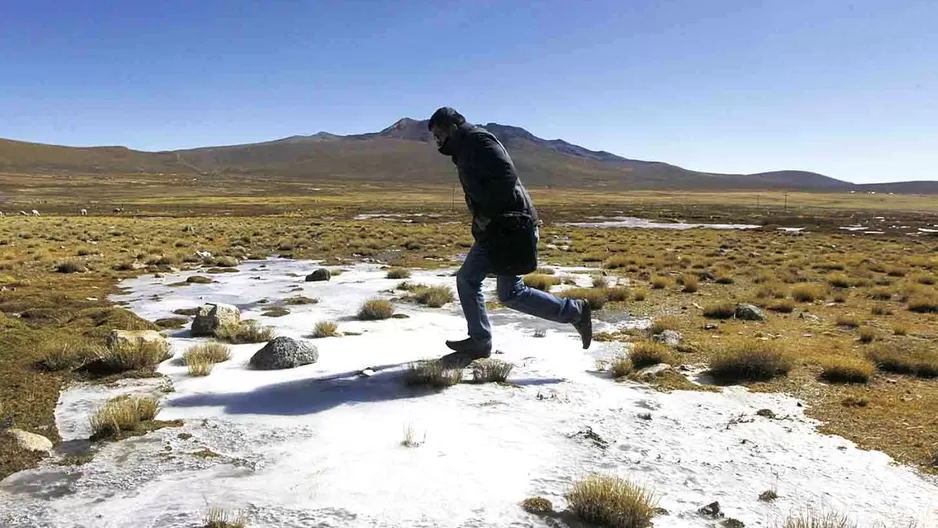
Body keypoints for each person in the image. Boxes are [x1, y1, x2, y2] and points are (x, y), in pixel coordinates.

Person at [428, 107, 592, 365]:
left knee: (501, 290)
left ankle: (574, 312)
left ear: (453, 129)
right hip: (498, 229)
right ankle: (480, 341)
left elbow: (506, 177)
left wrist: (490, 214)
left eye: (440, 134)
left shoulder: (479, 141)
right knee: (477, 282)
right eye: (435, 137)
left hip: (511, 227)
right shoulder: (465, 148)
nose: (437, 141)